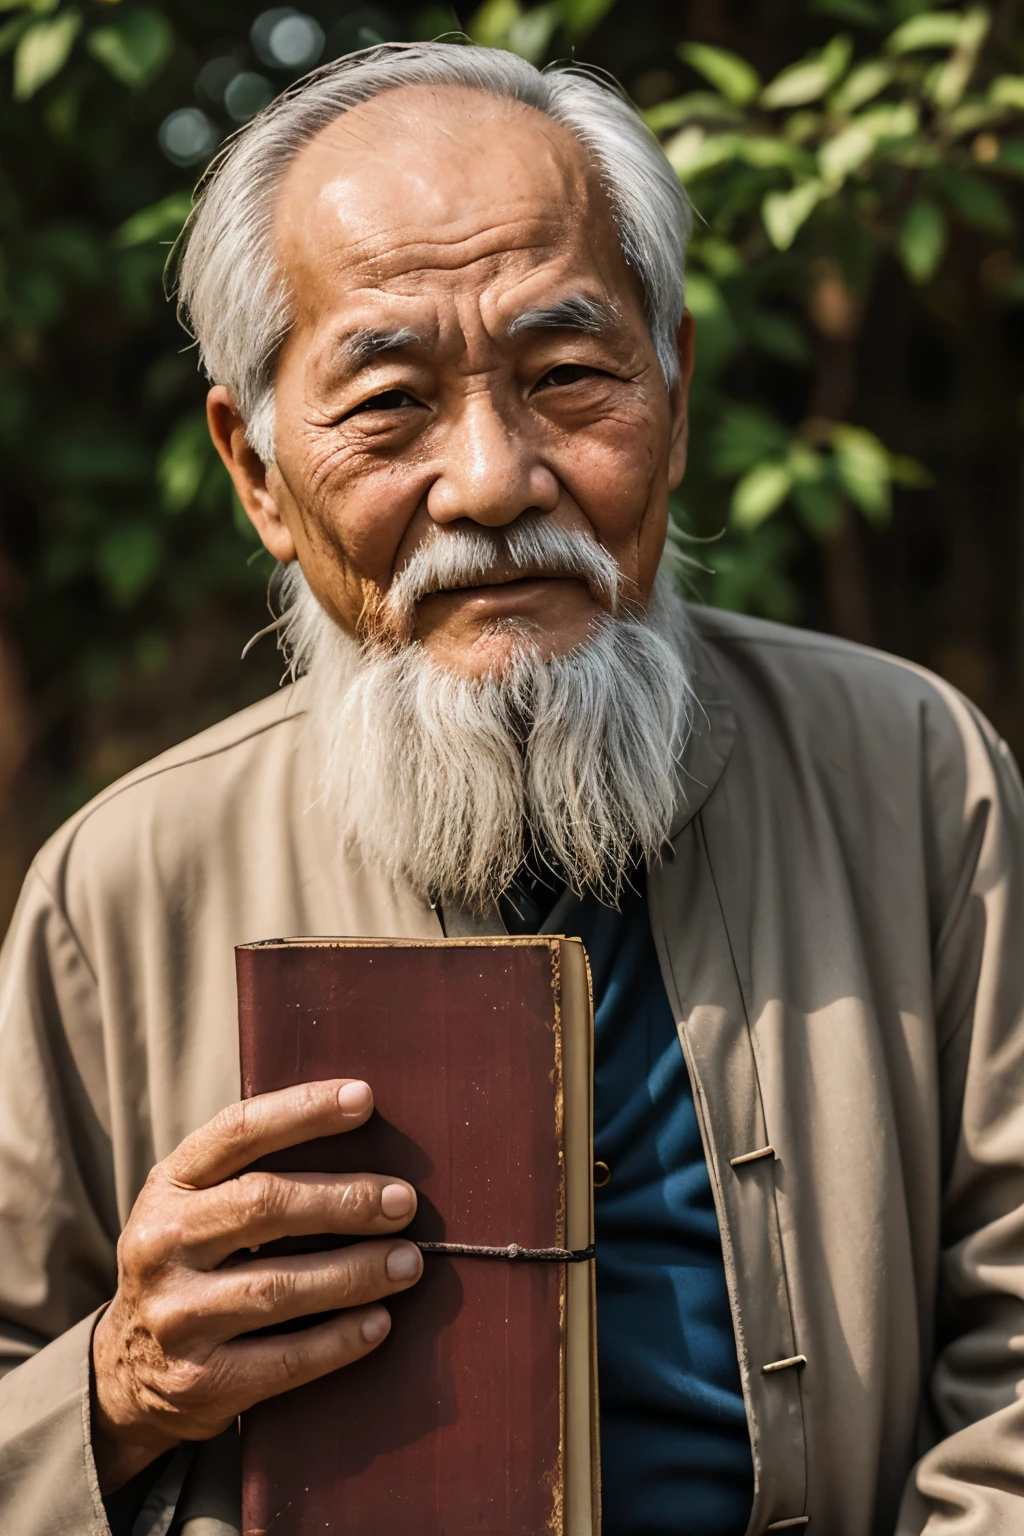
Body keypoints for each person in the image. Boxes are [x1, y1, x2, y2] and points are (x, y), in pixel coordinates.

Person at [1, 40, 1023, 1536]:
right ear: (259, 472)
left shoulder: (916, 777)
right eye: (390, 403)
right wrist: (125, 1378)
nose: (491, 480)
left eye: (566, 378)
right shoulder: (119, 889)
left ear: (671, 393)